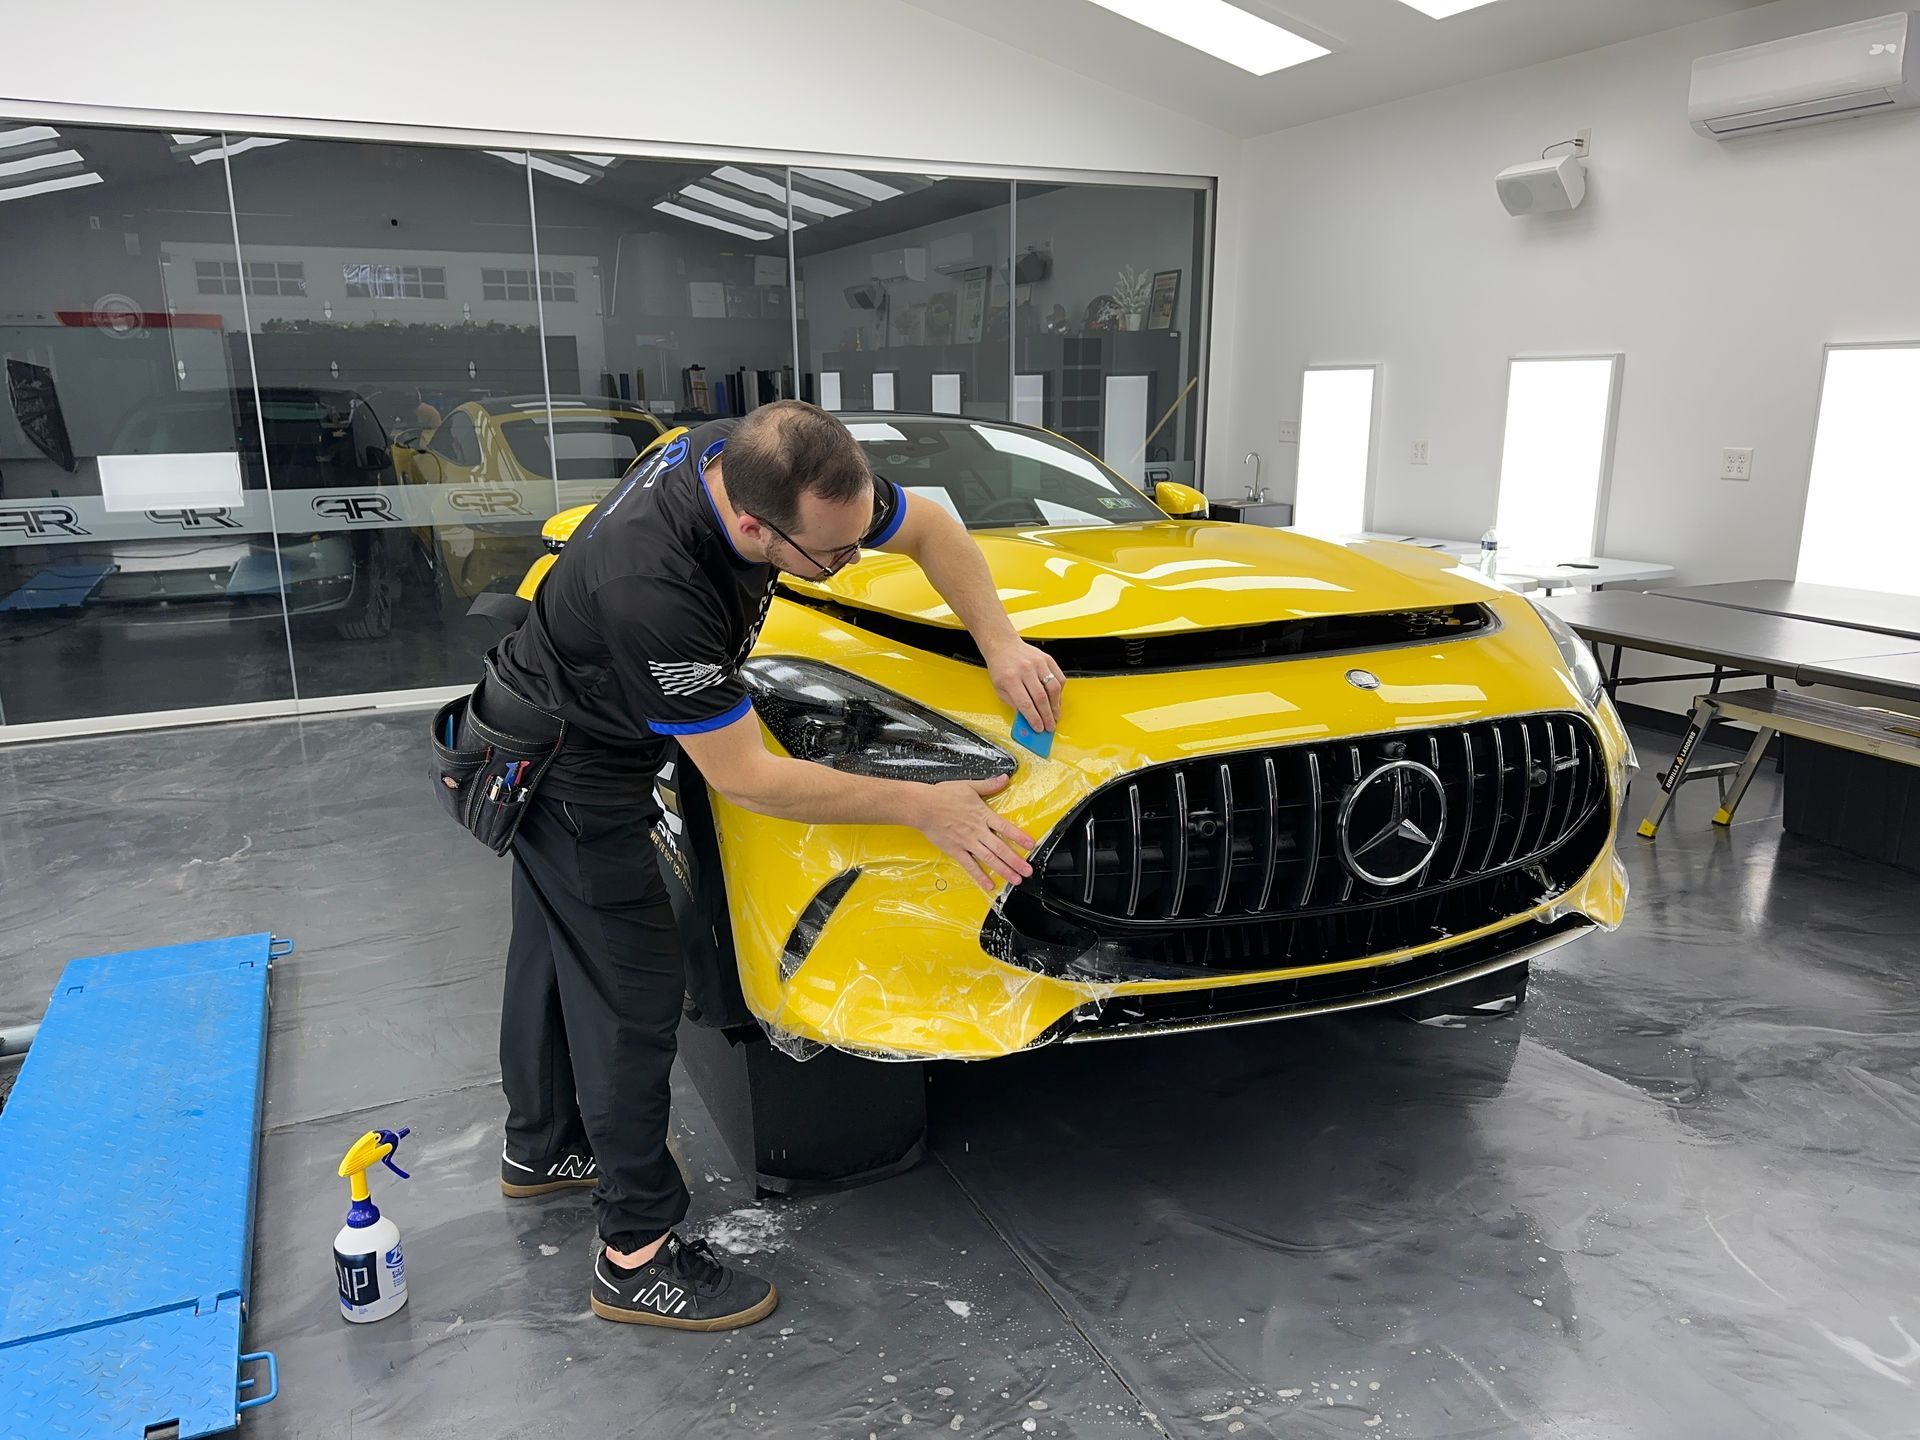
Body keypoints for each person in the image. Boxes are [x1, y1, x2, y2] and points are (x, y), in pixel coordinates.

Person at [487, 400, 1065, 1331]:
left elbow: (931, 527)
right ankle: (635, 1254)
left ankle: (542, 1148)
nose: (843, 563)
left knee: (554, 951)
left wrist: (1001, 642)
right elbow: (749, 776)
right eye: (826, 557)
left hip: (574, 716)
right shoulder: (656, 583)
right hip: (567, 766)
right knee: (630, 995)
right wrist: (924, 805)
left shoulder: (765, 462)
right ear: (752, 525)